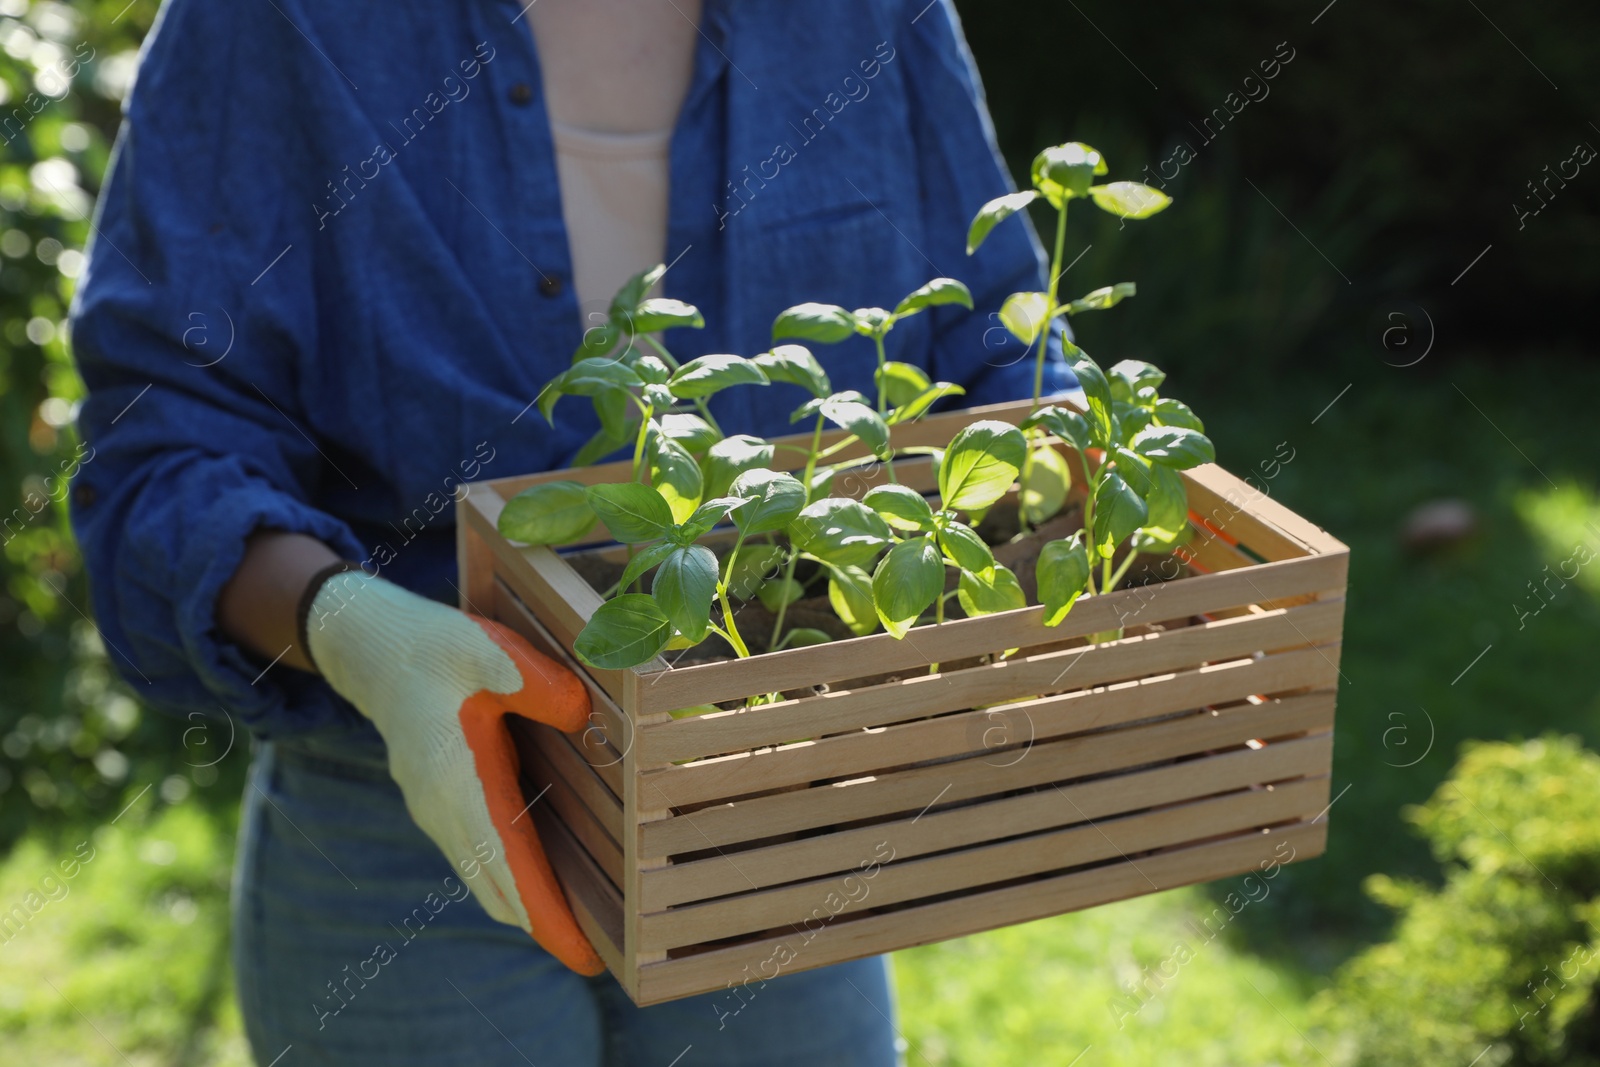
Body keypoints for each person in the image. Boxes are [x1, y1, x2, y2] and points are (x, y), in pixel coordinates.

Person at [69, 0, 1068, 1063]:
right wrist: (356, 630)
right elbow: (161, 443)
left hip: (773, 804)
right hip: (403, 813)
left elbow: (1000, 338)